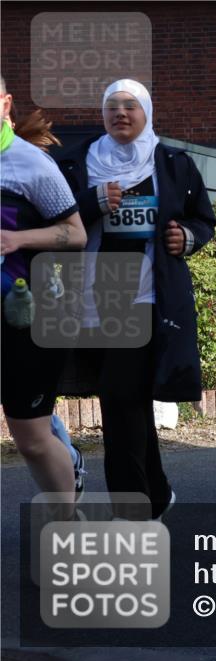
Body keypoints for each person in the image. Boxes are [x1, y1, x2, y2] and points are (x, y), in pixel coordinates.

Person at [57, 79, 216, 519]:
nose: (120, 113)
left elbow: (204, 220)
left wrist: (186, 236)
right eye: (112, 106)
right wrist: (93, 202)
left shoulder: (172, 164)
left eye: (130, 105)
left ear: (146, 112)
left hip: (146, 297)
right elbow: (53, 215)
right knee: (130, 402)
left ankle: (132, 512)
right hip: (90, 295)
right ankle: (158, 492)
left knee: (118, 395)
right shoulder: (76, 161)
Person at [1, 76, 87, 509]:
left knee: (30, 439)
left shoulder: (29, 164)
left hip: (31, 316)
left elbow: (75, 235)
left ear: (6, 104)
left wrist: (17, 240)